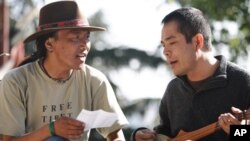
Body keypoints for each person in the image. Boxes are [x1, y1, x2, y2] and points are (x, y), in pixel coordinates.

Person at [0, 1, 128, 141]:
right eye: (75, 37)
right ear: (49, 44)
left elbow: (115, 134)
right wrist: (51, 129)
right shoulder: (15, 81)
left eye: (87, 37)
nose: (84, 45)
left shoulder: (94, 81)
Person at [131, 7, 250, 141]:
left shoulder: (243, 82)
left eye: (172, 42)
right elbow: (164, 134)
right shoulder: (173, 89)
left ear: (197, 41)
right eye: (164, 45)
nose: (165, 52)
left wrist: (238, 133)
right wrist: (140, 136)